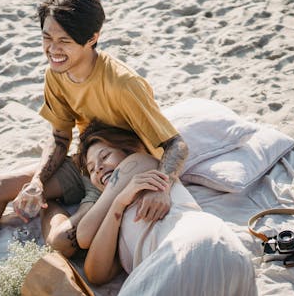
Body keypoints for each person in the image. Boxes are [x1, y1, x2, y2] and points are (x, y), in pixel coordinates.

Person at [0, 0, 187, 294]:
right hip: (85, 162)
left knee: (65, 243)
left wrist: (162, 185)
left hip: (116, 170)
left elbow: (176, 144)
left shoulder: (122, 84)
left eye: (64, 41)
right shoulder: (56, 74)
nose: (53, 49)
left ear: (92, 39)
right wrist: (38, 181)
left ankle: (52, 206)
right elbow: (59, 136)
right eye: (47, 38)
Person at [75, 121, 257, 295]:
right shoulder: (115, 214)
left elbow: (83, 235)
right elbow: (96, 274)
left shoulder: (140, 163)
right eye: (91, 170)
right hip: (219, 258)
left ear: (127, 150)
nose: (98, 168)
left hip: (192, 243)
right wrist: (118, 204)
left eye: (105, 156)